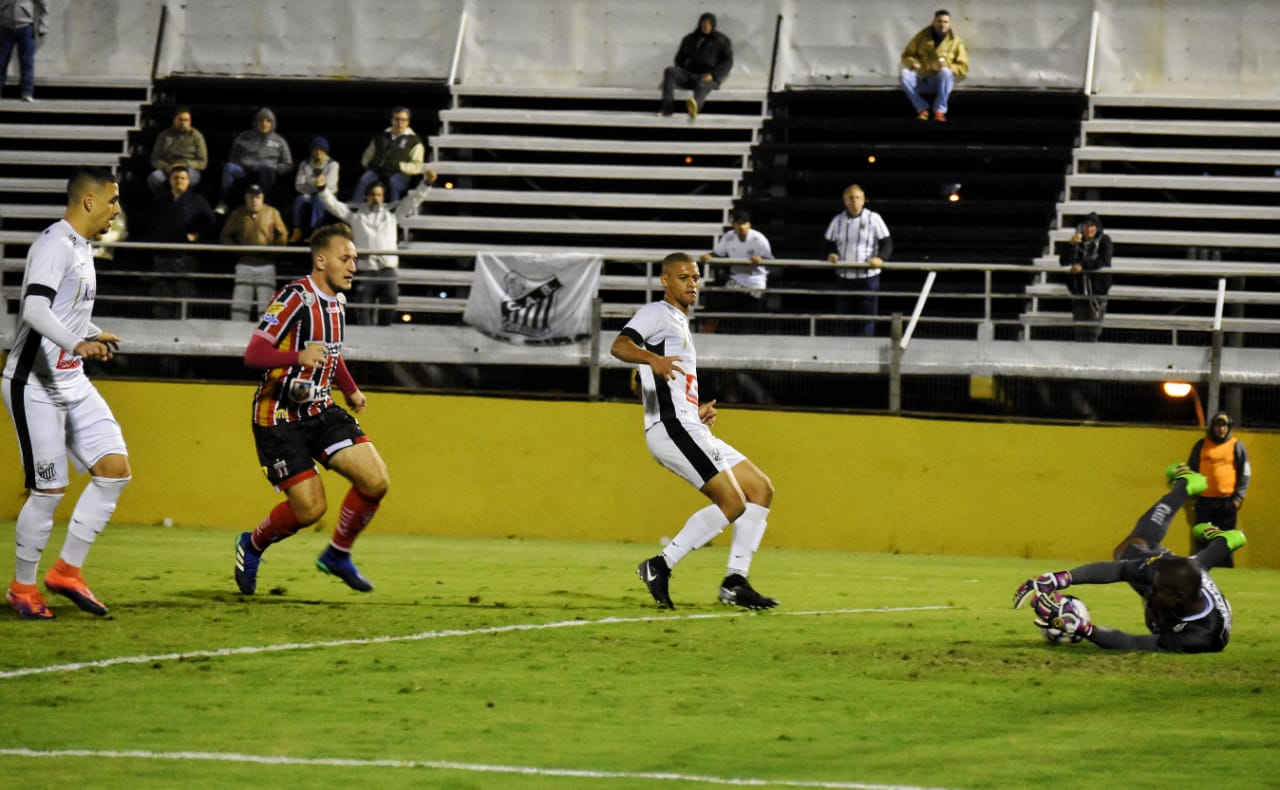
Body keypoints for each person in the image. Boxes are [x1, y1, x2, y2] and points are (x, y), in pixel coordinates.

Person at [611, 252, 778, 611]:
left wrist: (692, 409)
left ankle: (735, 581)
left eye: (696, 278)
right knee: (732, 502)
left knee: (759, 489)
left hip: (687, 423)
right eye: (684, 277)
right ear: (665, 281)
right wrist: (652, 360)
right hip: (671, 429)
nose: (692, 284)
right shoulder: (656, 313)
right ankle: (660, 565)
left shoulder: (678, 323)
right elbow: (620, 345)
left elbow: (639, 386)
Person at [234, 223, 390, 596]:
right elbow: (254, 353)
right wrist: (296, 355)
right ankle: (251, 544)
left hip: (320, 410)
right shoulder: (294, 297)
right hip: (278, 419)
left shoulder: (338, 301)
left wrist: (350, 390)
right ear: (322, 260)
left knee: (376, 480)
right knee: (310, 510)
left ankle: (338, 553)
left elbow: (332, 354)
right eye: (345, 258)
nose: (354, 266)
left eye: (354, 259)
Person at [2, 166, 130, 620]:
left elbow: (61, 308)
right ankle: (21, 587)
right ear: (89, 201)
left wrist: (92, 331)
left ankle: (67, 572)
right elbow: (34, 307)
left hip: (71, 379)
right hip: (33, 383)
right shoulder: (54, 244)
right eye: (112, 201)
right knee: (49, 490)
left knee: (114, 469)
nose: (117, 210)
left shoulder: (82, 248)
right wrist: (76, 341)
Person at [1013, 464, 1243, 653]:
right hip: (1185, 580)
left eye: (1158, 589)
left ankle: (1188, 491)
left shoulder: (1201, 636)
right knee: (1128, 550)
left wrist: (1086, 630)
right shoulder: (1166, 572)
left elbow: (1134, 643)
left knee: (1154, 618)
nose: (1151, 588)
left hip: (1187, 611)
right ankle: (1220, 529)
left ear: (1179, 596)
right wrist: (1057, 579)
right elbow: (1119, 570)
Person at [319, 175, 434, 326]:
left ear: (383, 197)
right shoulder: (356, 217)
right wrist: (321, 189)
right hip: (365, 269)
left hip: (387, 269)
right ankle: (365, 336)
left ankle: (384, 329)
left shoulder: (392, 216)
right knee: (362, 306)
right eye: (373, 194)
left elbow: (412, 201)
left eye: (379, 195)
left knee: (392, 298)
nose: (376, 198)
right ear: (366, 196)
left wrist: (427, 183)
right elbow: (334, 206)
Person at [823, 184, 893, 336]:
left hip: (868, 276)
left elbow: (887, 242)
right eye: (850, 198)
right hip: (844, 276)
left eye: (857, 197)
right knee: (843, 316)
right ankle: (842, 348)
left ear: (863, 200)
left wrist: (881, 258)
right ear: (845, 201)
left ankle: (866, 348)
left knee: (867, 317)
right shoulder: (838, 220)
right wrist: (831, 254)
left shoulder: (873, 218)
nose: (854, 201)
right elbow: (827, 243)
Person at [149, 165, 217, 319]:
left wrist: (197, 234)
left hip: (185, 257)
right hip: (162, 256)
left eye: (183, 178)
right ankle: (160, 325)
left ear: (189, 181)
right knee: (161, 293)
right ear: (170, 180)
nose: (179, 181)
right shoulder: (161, 201)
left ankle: (182, 321)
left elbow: (210, 223)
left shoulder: (198, 201)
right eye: (176, 178)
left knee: (184, 291)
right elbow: (151, 223)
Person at [1187, 411, 1250, 564]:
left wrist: (1238, 498)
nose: (1221, 429)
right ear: (1212, 427)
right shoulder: (1201, 445)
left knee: (1225, 539)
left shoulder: (1236, 445)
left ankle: (1225, 569)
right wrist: (1194, 496)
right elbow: (1191, 470)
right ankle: (1200, 568)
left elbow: (1245, 473)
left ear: (1229, 428)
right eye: (1218, 425)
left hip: (1226, 502)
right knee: (1202, 539)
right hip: (1204, 501)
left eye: (1224, 426)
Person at [220, 183, 288, 322]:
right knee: (240, 305)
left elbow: (283, 234)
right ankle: (236, 337)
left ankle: (266, 338)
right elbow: (225, 235)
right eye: (251, 197)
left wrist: (273, 251)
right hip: (244, 263)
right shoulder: (238, 214)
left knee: (267, 306)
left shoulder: (271, 212)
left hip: (266, 264)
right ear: (246, 198)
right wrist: (237, 251)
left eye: (257, 197)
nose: (254, 200)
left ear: (262, 198)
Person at [698, 209, 774, 333]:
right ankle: (710, 328)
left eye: (744, 223)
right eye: (738, 223)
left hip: (755, 283)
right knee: (724, 306)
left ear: (749, 224)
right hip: (736, 280)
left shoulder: (758, 239)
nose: (741, 226)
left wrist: (760, 258)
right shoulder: (728, 237)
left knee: (750, 319)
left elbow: (770, 259)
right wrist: (709, 256)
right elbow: (718, 253)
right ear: (734, 225)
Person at [217, 107, 292, 214]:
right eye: (261, 120)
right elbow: (233, 157)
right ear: (256, 122)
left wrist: (275, 168)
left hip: (266, 172)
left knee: (265, 169)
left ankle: (265, 205)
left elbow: (288, 164)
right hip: (245, 170)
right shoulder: (243, 137)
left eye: (268, 121)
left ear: (272, 123)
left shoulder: (279, 141)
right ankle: (223, 203)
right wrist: (245, 164)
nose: (264, 123)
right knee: (229, 167)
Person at [659, 12, 733, 120]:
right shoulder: (690, 39)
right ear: (700, 24)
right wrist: (684, 71)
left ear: (713, 25)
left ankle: (694, 108)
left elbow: (727, 62)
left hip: (708, 78)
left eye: (709, 24)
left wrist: (713, 75)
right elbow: (679, 58)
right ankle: (667, 108)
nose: (706, 26)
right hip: (691, 75)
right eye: (704, 23)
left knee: (702, 84)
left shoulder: (721, 41)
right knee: (670, 71)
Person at [899, 9, 969, 122]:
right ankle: (922, 108)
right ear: (933, 22)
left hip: (940, 83)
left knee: (946, 72)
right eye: (939, 21)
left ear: (950, 24)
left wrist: (946, 67)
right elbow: (906, 55)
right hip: (922, 79)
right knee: (904, 74)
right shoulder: (922, 37)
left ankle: (939, 111)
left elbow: (963, 67)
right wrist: (914, 63)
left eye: (945, 22)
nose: (942, 24)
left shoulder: (956, 42)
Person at [350, 107, 429, 204]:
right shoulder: (381, 137)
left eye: (403, 120)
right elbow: (367, 156)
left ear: (408, 122)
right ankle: (356, 207)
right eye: (397, 119)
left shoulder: (414, 141)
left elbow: (417, 166)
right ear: (392, 120)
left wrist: (399, 166)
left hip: (399, 173)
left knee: (393, 183)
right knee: (364, 180)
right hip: (378, 171)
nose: (400, 123)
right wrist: (372, 165)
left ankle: (393, 210)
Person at [1058, 212, 1112, 342]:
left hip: (1097, 293)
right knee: (1079, 330)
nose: (1089, 229)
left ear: (1097, 227)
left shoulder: (1104, 241)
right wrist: (1071, 245)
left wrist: (1083, 266)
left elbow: (1104, 260)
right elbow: (1063, 261)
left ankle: (1091, 360)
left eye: (1092, 226)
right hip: (1079, 292)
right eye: (1086, 226)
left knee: (1093, 332)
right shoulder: (1077, 241)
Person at [146, 108, 209, 198]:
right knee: (154, 178)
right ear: (174, 120)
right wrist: (167, 167)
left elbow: (202, 162)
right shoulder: (165, 135)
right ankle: (164, 201)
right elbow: (155, 159)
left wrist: (184, 165)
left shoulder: (196, 136)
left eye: (186, 120)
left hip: (188, 169)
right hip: (168, 168)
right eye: (180, 120)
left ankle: (183, 202)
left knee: (185, 180)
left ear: (190, 121)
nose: (183, 122)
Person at [290, 136, 339, 244]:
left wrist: (311, 183)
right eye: (315, 149)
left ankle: (317, 229)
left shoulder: (333, 165)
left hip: (327, 196)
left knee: (319, 198)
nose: (318, 152)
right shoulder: (305, 164)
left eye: (321, 150)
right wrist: (316, 183)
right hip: (308, 195)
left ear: (326, 151)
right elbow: (299, 185)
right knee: (299, 200)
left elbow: (329, 187)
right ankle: (297, 229)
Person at [0, 0, 47, 101]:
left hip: (26, 27)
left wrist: (43, 25)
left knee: (27, 62)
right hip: (5, 27)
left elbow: (43, 3)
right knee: (1, 61)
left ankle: (27, 92)